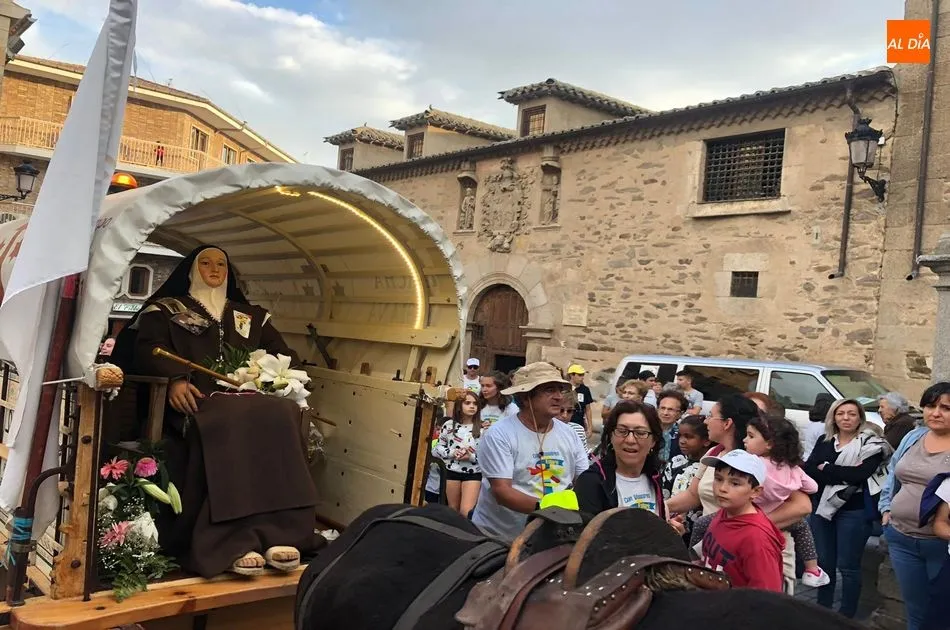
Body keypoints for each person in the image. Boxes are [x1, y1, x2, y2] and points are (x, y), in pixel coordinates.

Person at [112, 245, 319, 578]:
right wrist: (176, 380)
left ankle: (281, 533)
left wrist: (270, 378)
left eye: (221, 263)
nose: (214, 268)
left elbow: (286, 356)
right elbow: (149, 350)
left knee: (282, 413)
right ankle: (232, 541)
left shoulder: (251, 315)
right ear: (192, 270)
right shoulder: (165, 310)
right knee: (229, 419)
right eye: (205, 262)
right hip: (197, 401)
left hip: (250, 399)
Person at [471, 362, 589, 542]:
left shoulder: (569, 434)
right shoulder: (499, 435)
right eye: (549, 390)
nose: (559, 397)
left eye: (560, 390)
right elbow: (502, 492)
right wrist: (548, 509)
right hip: (498, 538)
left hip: (552, 537)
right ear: (525, 398)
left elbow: (584, 480)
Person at [804, 398, 891, 619]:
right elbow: (810, 469)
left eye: (852, 414)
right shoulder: (825, 441)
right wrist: (840, 472)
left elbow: (860, 475)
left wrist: (829, 468)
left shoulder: (870, 444)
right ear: (833, 416)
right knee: (824, 562)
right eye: (841, 413)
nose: (846, 418)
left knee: (848, 565)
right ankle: (822, 610)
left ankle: (846, 615)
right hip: (822, 508)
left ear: (860, 418)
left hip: (854, 511)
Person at [878, 382, 950, 630]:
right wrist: (886, 509)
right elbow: (892, 475)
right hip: (901, 538)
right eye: (930, 406)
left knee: (941, 613)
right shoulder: (914, 437)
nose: (936, 413)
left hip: (940, 544)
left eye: (945, 408)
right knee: (915, 611)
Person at [574, 401, 678, 531]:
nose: (630, 440)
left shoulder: (654, 475)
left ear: (654, 441)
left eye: (640, 433)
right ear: (611, 436)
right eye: (622, 431)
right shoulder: (591, 481)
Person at [698, 449, 785, 592]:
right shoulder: (725, 512)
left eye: (735, 483)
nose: (722, 488)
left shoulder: (756, 539)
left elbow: (767, 599)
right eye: (718, 479)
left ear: (755, 491)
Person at [661, 414, 711, 543]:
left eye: (689, 437)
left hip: (697, 533)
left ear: (706, 440)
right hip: (670, 525)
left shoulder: (710, 468)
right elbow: (664, 492)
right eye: (680, 436)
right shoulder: (675, 462)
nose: (682, 441)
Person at [432, 390, 483, 516]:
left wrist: (470, 456)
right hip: (451, 471)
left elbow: (487, 456)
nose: (472, 406)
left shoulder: (483, 429)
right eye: (467, 403)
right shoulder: (448, 426)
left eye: (475, 404)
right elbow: (438, 448)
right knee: (452, 510)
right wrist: (452, 452)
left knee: (466, 511)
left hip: (473, 473)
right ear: (459, 406)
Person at [567, 364, 594, 438]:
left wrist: (590, 427)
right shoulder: (565, 388)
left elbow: (588, 409)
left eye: (583, 375)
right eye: (579, 375)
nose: (582, 377)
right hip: (566, 422)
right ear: (572, 375)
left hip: (579, 423)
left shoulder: (585, 390)